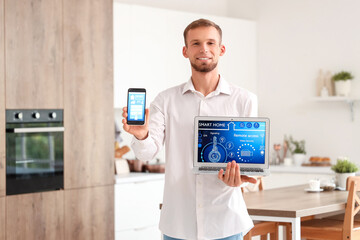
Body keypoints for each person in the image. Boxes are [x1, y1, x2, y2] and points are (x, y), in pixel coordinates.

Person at [122, 18, 258, 240]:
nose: (204, 49)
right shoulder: (165, 100)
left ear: (221, 49)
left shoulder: (244, 100)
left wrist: (239, 178)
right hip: (178, 225)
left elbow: (248, 159)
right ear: (185, 51)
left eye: (211, 43)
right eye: (195, 43)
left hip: (225, 222)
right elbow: (146, 152)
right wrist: (142, 134)